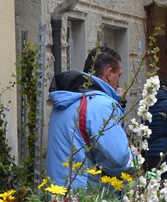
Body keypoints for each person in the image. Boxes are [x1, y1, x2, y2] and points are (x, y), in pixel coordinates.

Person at [46, 46, 133, 188]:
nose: (119, 83)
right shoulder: (101, 105)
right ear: (109, 73)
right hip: (87, 200)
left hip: (59, 194)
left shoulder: (67, 100)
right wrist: (133, 155)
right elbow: (118, 161)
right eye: (119, 75)